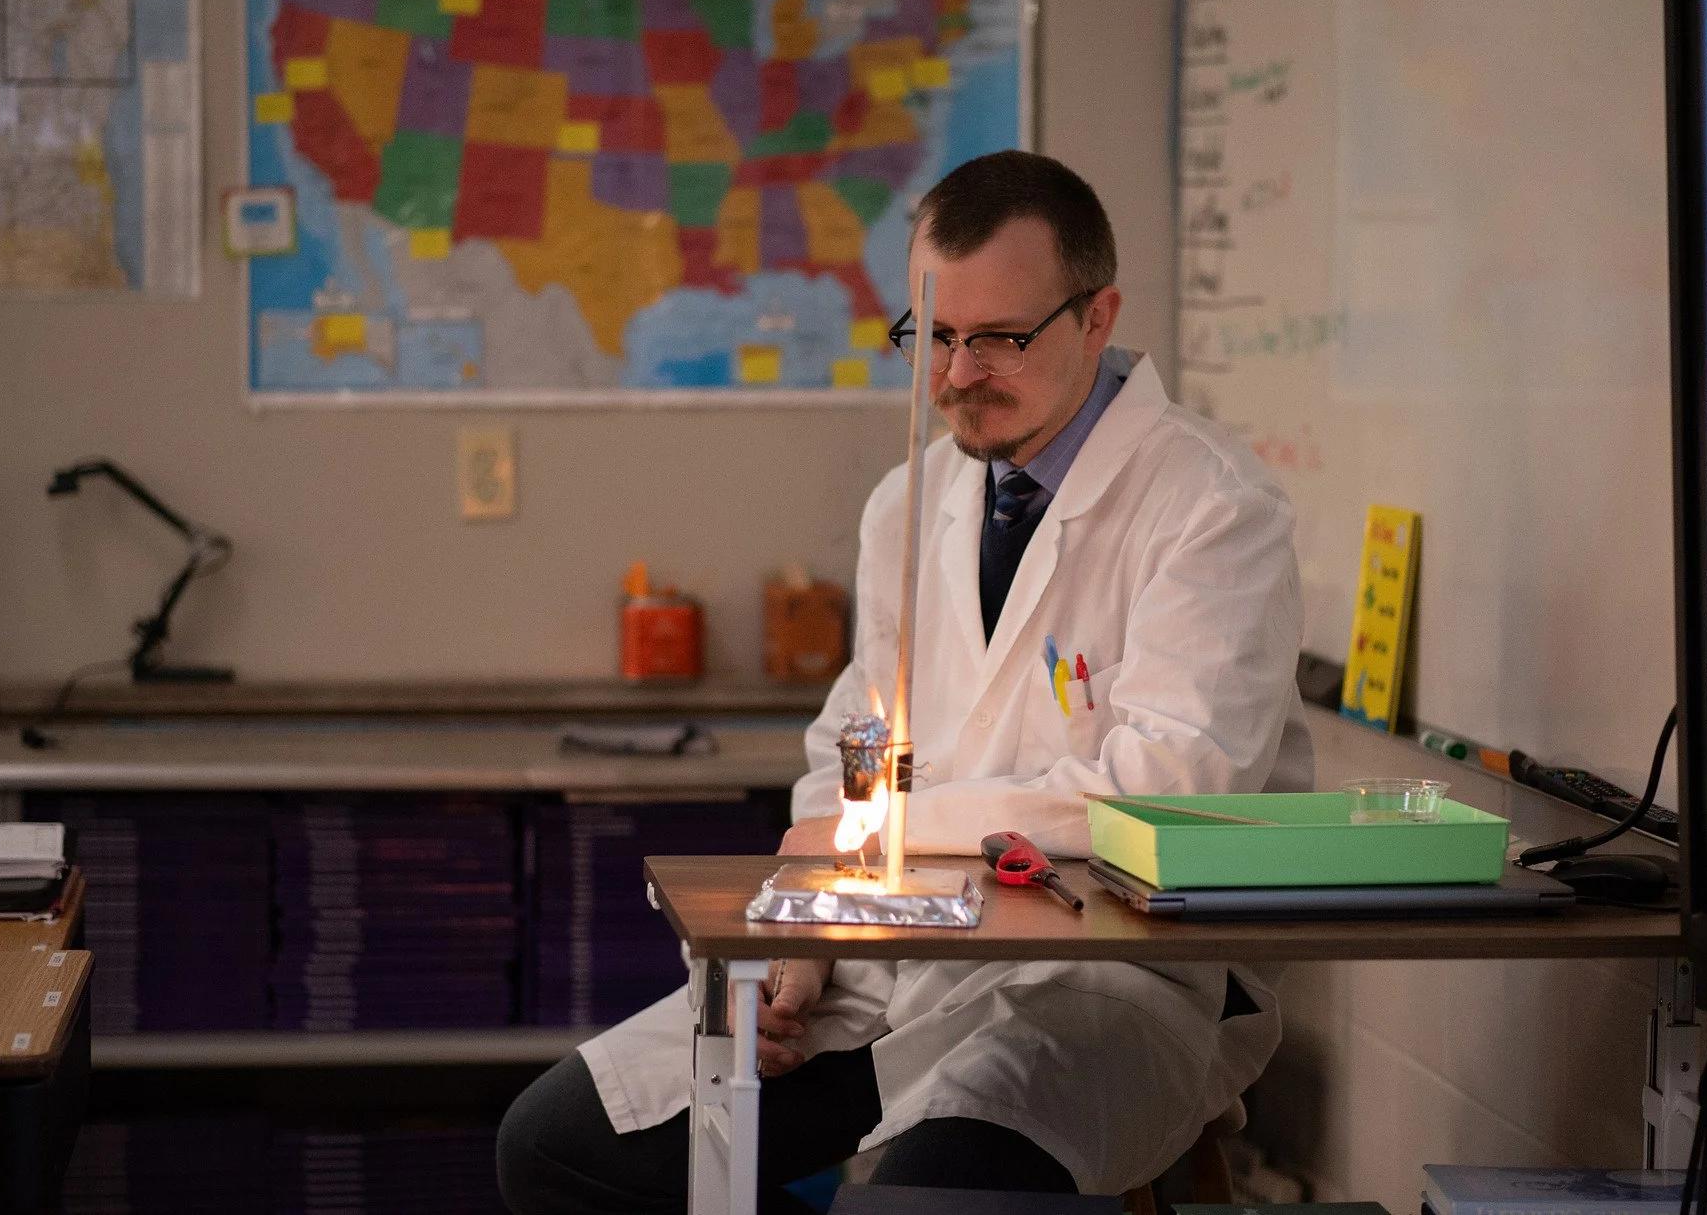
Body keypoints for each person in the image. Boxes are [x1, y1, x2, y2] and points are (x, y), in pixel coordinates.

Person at [497, 150, 1313, 1213]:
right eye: (932, 334)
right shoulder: (907, 500)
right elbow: (852, 739)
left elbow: (1164, 783)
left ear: (1098, 316)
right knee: (555, 1149)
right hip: (895, 958)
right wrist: (805, 937)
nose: (956, 372)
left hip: (1111, 977)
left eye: (998, 338)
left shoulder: (1209, 507)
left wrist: (888, 836)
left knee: (922, 1198)